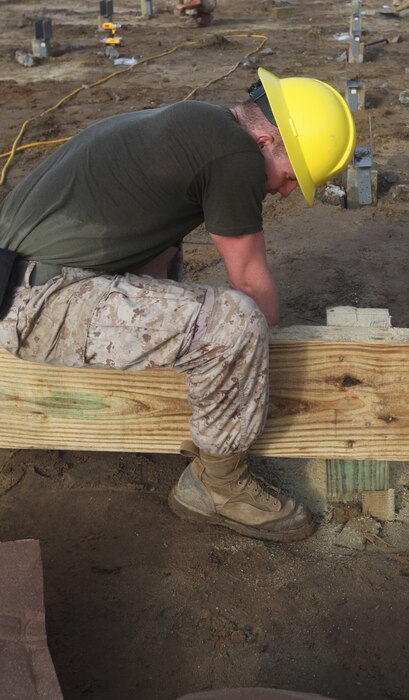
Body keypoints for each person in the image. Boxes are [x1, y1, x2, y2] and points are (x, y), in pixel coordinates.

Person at [0, 68, 355, 544]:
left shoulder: (197, 125)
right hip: (34, 304)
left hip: (23, 281)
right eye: (292, 176)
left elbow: (153, 244)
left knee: (170, 254)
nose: (286, 192)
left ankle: (190, 399)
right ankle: (219, 487)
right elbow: (250, 285)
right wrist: (259, 357)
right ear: (267, 140)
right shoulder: (235, 156)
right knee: (237, 321)